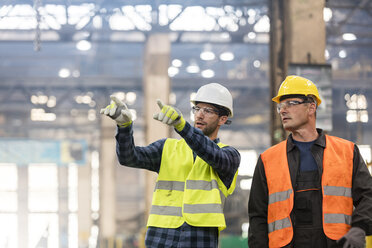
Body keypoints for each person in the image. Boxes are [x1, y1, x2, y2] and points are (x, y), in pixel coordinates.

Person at [101, 83, 240, 248]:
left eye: (208, 111)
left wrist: (182, 126)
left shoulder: (229, 156)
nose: (200, 115)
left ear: (223, 119)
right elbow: (128, 158)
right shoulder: (167, 148)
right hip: (160, 237)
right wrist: (124, 127)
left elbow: (210, 153)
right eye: (197, 109)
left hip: (199, 239)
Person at [248, 75, 372, 248]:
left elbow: (368, 196)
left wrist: (359, 228)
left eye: (290, 103)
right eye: (280, 106)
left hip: (336, 244)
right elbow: (257, 217)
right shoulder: (268, 159)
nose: (283, 110)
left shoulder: (347, 152)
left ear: (311, 107)